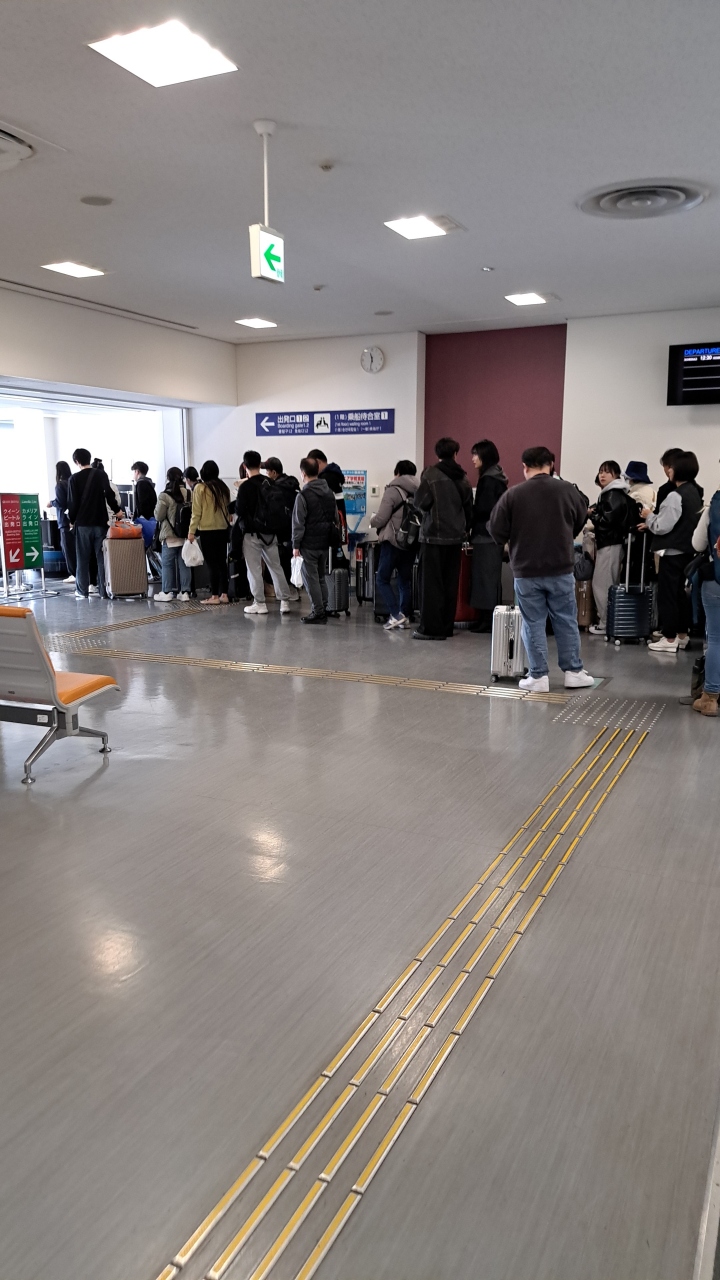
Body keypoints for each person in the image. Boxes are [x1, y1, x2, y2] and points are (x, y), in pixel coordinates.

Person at [488, 446, 594, 691]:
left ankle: (538, 677)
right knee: (566, 620)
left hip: (526, 571)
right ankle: (573, 672)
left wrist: (511, 541)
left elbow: (495, 529)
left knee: (533, 622)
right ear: (551, 465)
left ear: (525, 467)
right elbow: (580, 519)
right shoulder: (567, 490)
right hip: (561, 568)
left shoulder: (513, 494)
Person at [640, 451, 703, 653]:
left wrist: (649, 516)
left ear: (676, 470)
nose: (668, 471)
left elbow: (662, 526)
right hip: (687, 551)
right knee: (680, 595)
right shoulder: (694, 492)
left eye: (670, 467)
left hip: (672, 552)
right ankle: (682, 636)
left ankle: (668, 638)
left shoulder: (675, 496)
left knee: (667, 595)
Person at [412, 437, 473, 640]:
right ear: (455, 454)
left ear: (437, 454)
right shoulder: (463, 478)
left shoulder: (430, 474)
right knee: (450, 584)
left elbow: (421, 502)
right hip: (455, 538)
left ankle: (431, 629)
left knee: (430, 585)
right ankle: (447, 627)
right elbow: (468, 508)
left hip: (433, 537)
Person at [235, 450, 297, 615]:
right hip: (271, 534)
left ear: (245, 466)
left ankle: (259, 603)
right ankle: (285, 601)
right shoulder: (270, 482)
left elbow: (239, 510)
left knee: (254, 569)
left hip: (252, 535)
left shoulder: (245, 486)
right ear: (259, 464)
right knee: (276, 567)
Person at [67, 447, 123, 599]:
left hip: (83, 524)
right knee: (102, 558)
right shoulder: (100, 474)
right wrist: (117, 510)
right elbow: (109, 495)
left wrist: (71, 520)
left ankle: (82, 591)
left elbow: (72, 503)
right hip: (100, 522)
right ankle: (105, 591)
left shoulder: (73, 479)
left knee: (82, 559)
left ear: (77, 461)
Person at [369, 460, 419, 629]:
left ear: (397, 473)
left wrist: (371, 521)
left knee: (382, 579)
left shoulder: (393, 490)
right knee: (404, 581)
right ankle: (404, 616)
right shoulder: (420, 490)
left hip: (392, 541)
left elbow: (381, 518)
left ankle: (395, 614)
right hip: (411, 542)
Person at [292, 456, 340, 624]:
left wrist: (295, 545)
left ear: (303, 473)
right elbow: (336, 518)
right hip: (325, 543)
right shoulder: (329, 493)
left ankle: (318, 612)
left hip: (308, 544)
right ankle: (324, 607)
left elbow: (298, 523)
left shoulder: (303, 495)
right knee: (321, 577)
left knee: (311, 579)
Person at [587, 461, 633, 635]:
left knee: (602, 584)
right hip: (613, 544)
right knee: (608, 582)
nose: (602, 475)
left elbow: (607, 521)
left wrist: (592, 515)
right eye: (600, 471)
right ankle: (608, 621)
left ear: (616, 474)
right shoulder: (615, 493)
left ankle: (605, 623)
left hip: (609, 543)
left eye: (607, 472)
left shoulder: (612, 494)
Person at [469, 439, 508, 632]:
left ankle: (487, 620)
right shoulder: (498, 477)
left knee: (484, 578)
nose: (473, 458)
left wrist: (470, 514)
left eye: (476, 454)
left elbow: (484, 509)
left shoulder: (488, 480)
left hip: (485, 535)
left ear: (485, 456)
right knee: (489, 578)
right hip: (494, 535)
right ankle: (486, 618)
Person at [689, 487, 720, 715]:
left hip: (715, 581)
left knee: (716, 640)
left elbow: (697, 544)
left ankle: (710, 698)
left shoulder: (714, 507)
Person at [188, 460, 231, 605]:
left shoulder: (200, 488)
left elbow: (196, 513)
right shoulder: (223, 488)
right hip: (223, 530)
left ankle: (214, 596)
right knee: (222, 562)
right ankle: (224, 594)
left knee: (212, 564)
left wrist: (191, 531)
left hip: (207, 531)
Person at [154, 467, 191, 601]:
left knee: (167, 564)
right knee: (184, 564)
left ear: (168, 478)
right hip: (185, 535)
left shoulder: (164, 495)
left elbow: (159, 516)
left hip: (169, 536)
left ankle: (167, 592)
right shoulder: (188, 493)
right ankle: (185, 592)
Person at [263, 456, 300, 585]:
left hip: (280, 531)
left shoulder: (276, 489)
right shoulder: (293, 485)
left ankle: (282, 589)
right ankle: (291, 587)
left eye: (267, 472)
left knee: (278, 564)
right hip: (294, 530)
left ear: (274, 472)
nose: (266, 474)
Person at [49, 460, 76, 584]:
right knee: (75, 548)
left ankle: (73, 574)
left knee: (67, 548)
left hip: (64, 521)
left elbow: (60, 502)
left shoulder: (60, 485)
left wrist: (51, 503)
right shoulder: (73, 482)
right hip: (75, 520)